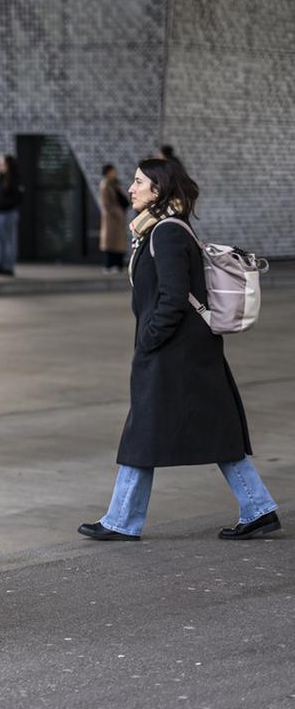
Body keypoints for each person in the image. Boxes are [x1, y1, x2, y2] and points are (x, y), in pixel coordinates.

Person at [79, 158, 279, 542]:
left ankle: (122, 520)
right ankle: (258, 508)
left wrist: (149, 340)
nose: (131, 188)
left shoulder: (167, 233)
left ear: (158, 190)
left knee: (144, 431)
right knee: (209, 430)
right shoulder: (161, 229)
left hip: (176, 353)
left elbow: (172, 298)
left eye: (139, 182)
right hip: (187, 352)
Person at [0, 154, 24, 276]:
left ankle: (8, 266)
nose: (0, 166)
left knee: (8, 241)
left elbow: (18, 197)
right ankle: (0, 264)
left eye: (3, 163)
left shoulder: (15, 179)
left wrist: (5, 204)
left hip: (8, 213)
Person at [98, 164, 129, 274]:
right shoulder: (105, 185)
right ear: (107, 172)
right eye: (113, 171)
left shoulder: (115, 183)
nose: (115, 173)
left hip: (119, 217)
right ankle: (109, 265)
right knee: (111, 243)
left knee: (119, 243)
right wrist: (115, 212)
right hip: (111, 219)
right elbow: (106, 203)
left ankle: (118, 265)